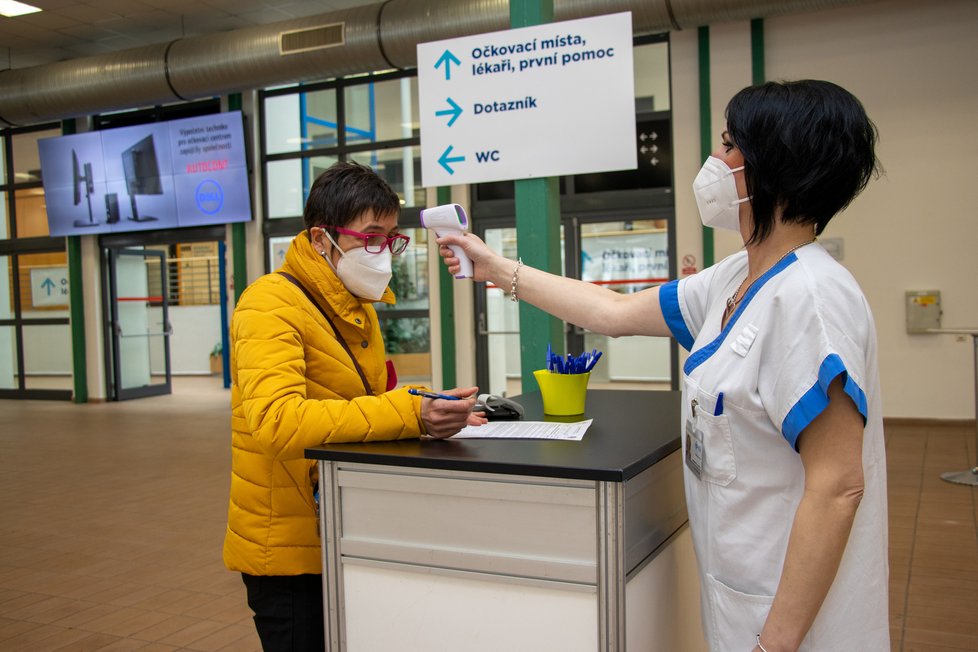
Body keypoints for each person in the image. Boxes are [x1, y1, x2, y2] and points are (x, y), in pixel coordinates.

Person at [437, 80, 887, 652]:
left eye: (728, 145)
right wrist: (494, 268)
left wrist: (773, 646)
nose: (715, 162)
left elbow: (838, 486)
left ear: (772, 164)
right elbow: (614, 310)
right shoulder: (734, 279)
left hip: (793, 621)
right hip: (743, 589)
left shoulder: (811, 299)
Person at [223, 161, 485, 651]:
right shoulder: (268, 303)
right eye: (370, 236)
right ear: (321, 239)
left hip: (342, 526)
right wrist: (408, 412)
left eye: (390, 238)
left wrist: (427, 409)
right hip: (289, 546)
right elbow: (276, 422)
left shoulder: (356, 303)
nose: (383, 252)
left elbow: (355, 406)